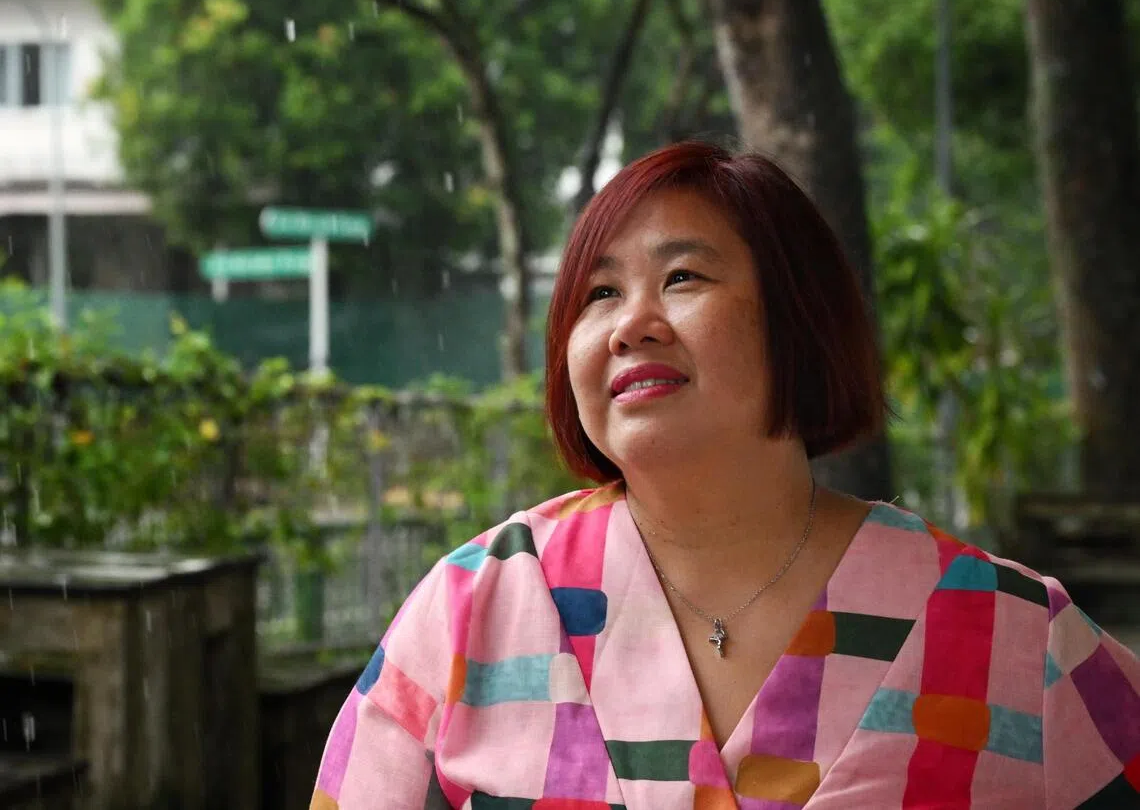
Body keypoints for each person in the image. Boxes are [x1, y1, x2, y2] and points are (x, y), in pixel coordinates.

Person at [310, 141, 1140, 809]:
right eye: (598, 294)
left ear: (797, 321)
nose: (631, 324)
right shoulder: (470, 614)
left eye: (682, 277)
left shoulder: (1013, 639)